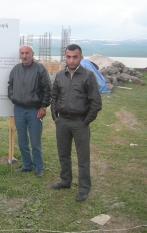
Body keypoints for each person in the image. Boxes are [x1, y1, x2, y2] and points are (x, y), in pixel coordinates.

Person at [50, 44, 102, 202]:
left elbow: (96, 103)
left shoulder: (88, 76)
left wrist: (86, 121)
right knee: (63, 155)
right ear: (65, 57)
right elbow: (54, 97)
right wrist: (55, 117)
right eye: (68, 57)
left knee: (83, 159)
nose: (71, 60)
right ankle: (65, 181)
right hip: (62, 122)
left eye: (75, 57)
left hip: (80, 123)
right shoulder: (59, 75)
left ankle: (84, 188)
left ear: (81, 57)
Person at [8, 45, 52, 178]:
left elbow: (47, 89)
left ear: (32, 54)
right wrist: (13, 97)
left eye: (27, 53)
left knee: (35, 140)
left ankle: (39, 167)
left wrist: (43, 106)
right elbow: (10, 85)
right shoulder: (16, 69)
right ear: (20, 55)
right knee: (22, 140)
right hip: (19, 109)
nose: (25, 55)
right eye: (22, 53)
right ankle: (27, 165)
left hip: (34, 111)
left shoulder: (40, 69)